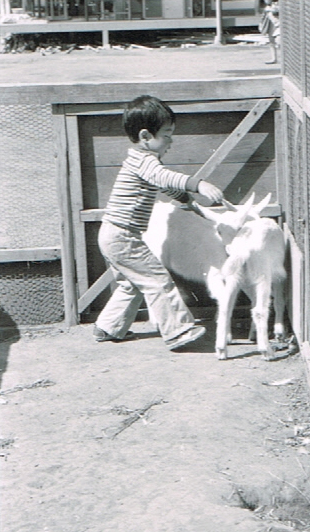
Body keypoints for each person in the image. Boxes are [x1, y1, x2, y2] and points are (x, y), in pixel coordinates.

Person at [94, 95, 223, 350]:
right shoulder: (145, 161)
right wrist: (198, 184)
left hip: (113, 234)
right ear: (145, 136)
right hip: (123, 236)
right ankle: (178, 331)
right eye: (166, 134)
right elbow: (163, 176)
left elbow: (162, 183)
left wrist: (185, 200)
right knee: (157, 279)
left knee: (131, 283)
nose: (171, 141)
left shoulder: (141, 162)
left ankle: (108, 327)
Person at [259, 0, 280, 64]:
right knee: (271, 38)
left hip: (277, 12)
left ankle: (282, 58)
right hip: (270, 12)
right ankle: (274, 58)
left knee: (278, 39)